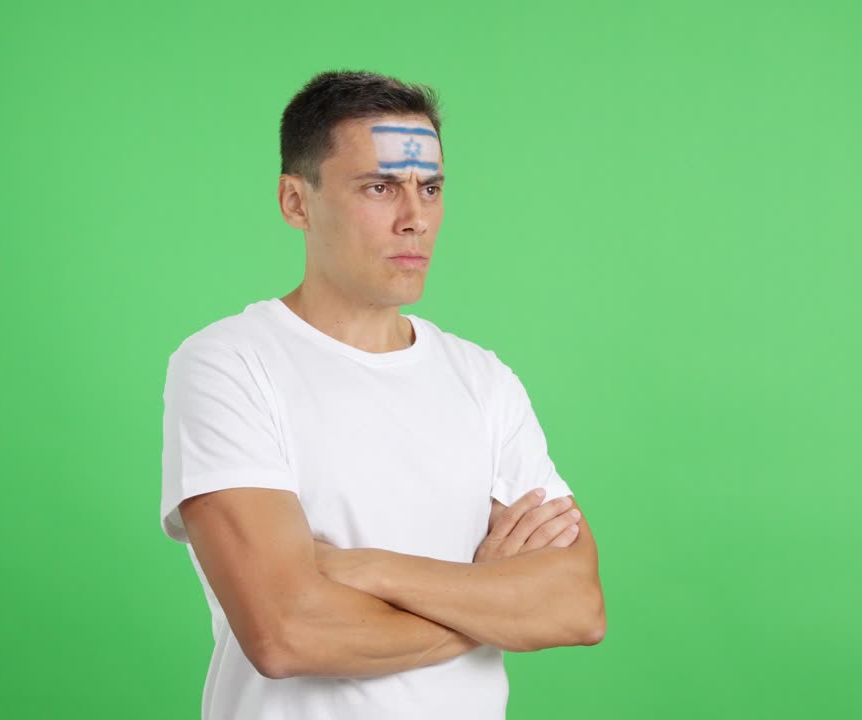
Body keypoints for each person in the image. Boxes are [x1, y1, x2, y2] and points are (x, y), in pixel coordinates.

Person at [159, 70, 605, 720]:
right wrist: (490, 602)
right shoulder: (230, 364)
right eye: (379, 187)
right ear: (296, 202)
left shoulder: (483, 380)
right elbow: (286, 634)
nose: (415, 219)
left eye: (431, 188)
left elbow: (577, 606)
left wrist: (368, 569)